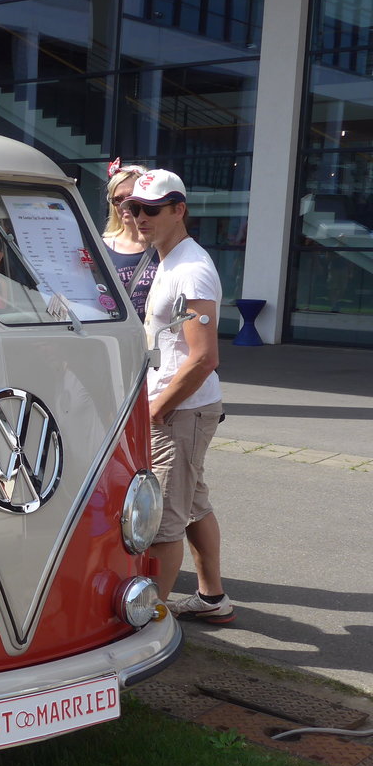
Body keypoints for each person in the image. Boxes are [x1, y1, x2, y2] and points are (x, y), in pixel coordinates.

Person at [120, 169, 233, 624]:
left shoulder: (191, 270)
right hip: (181, 408)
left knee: (164, 520)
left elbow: (204, 357)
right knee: (194, 503)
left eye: (151, 209)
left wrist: (156, 410)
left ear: (178, 210)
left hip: (179, 412)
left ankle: (151, 622)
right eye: (133, 208)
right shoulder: (168, 259)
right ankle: (212, 599)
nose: (139, 217)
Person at [102, 160, 157, 319]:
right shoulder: (100, 248)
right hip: (116, 338)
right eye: (117, 200)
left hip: (154, 340)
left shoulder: (164, 247)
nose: (124, 205)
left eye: (131, 197)